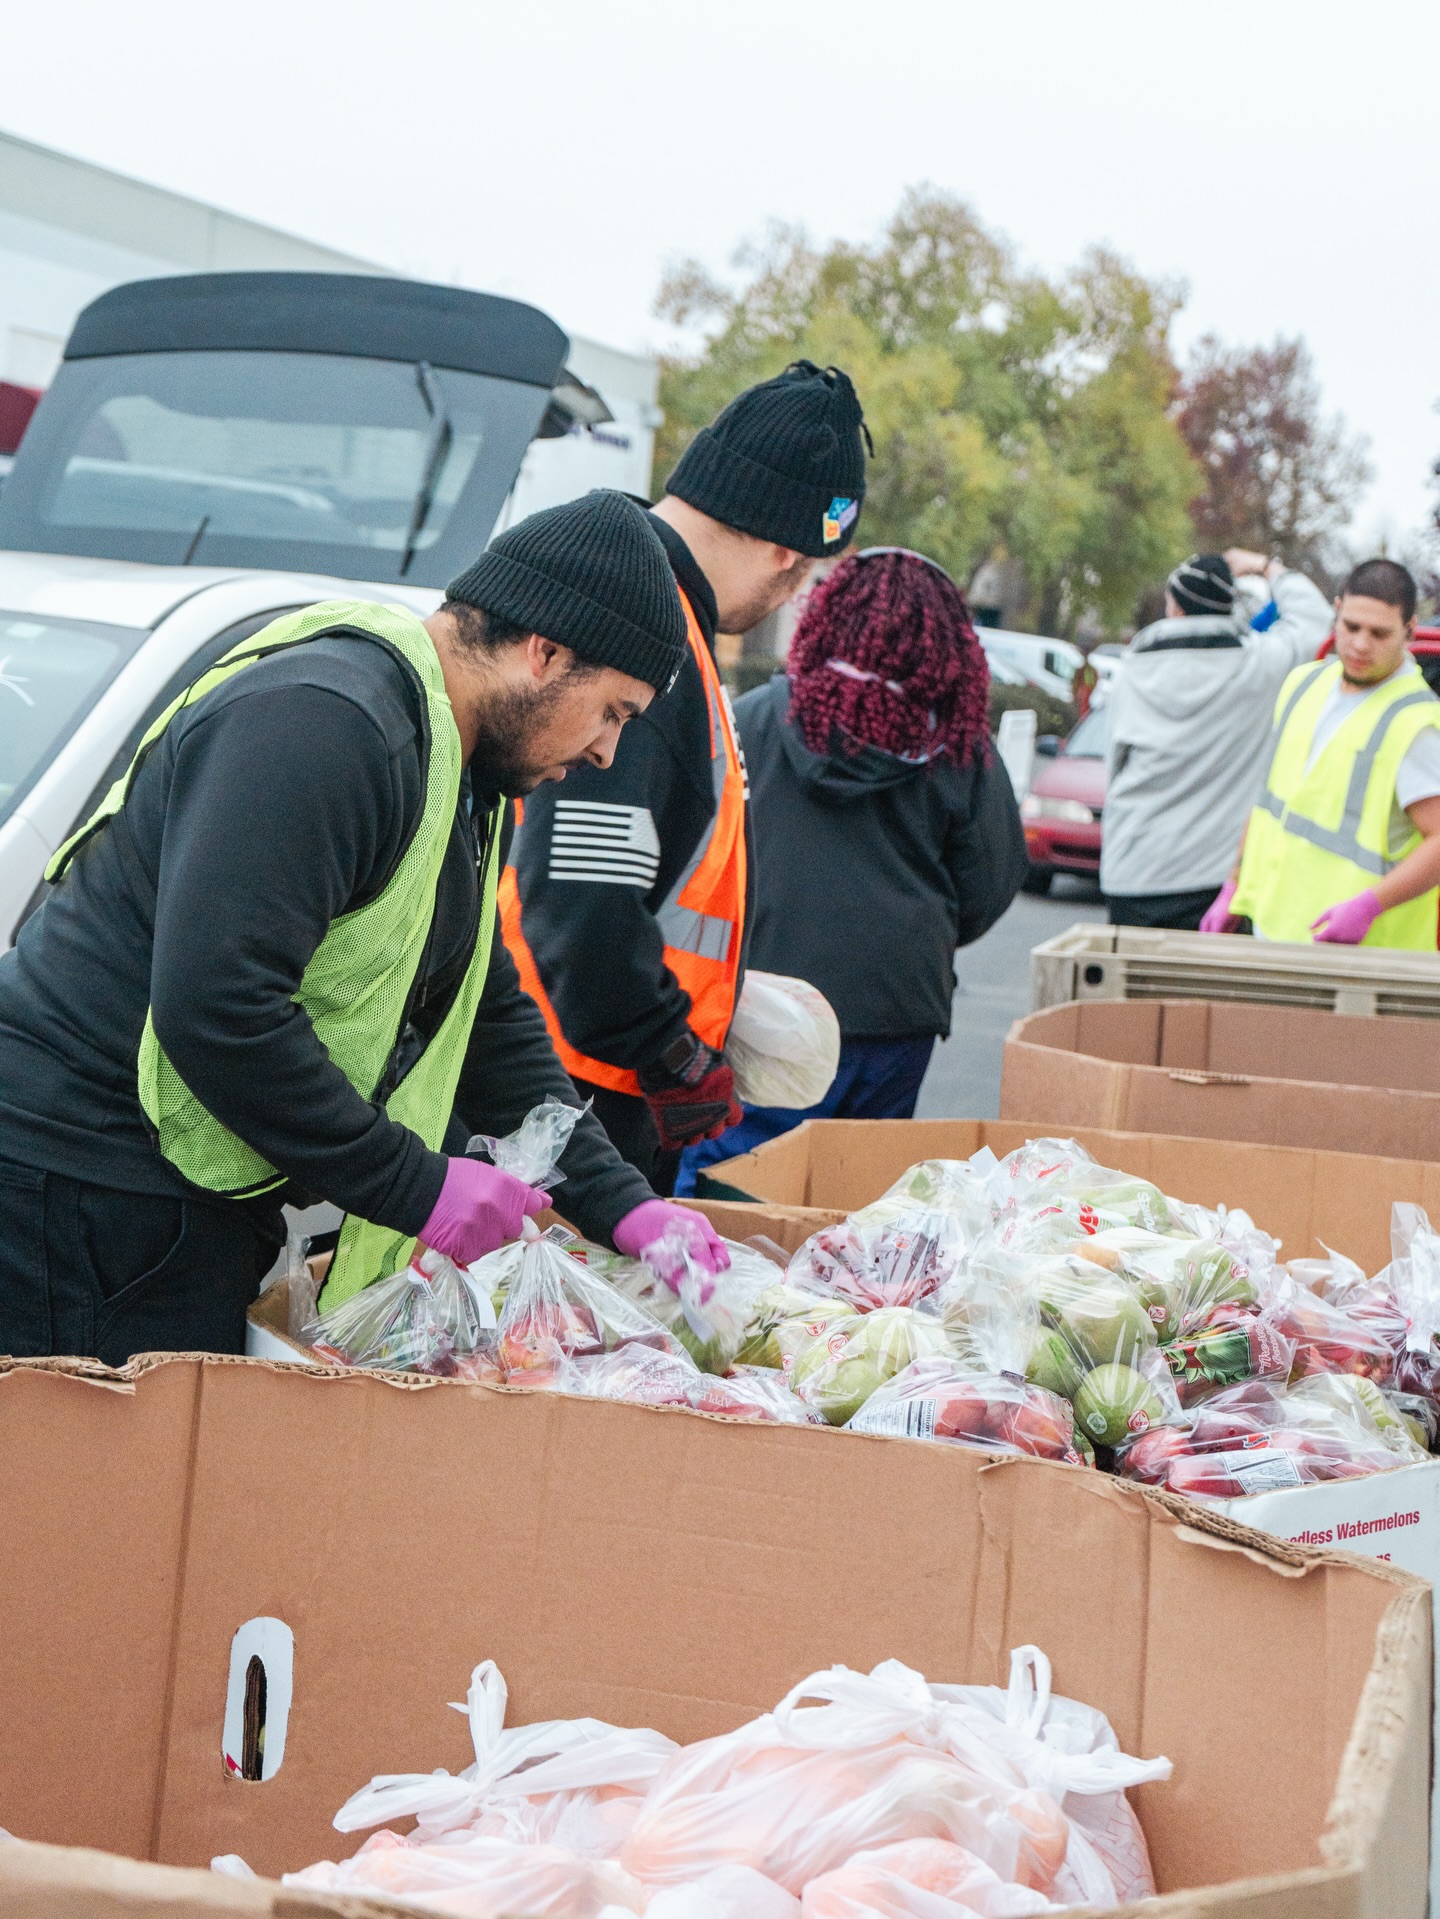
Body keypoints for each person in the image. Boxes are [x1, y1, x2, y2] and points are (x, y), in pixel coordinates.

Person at [0, 490, 726, 1364]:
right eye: (615, 710)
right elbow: (219, 1006)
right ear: (545, 651)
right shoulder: (330, 724)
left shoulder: (457, 765)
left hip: (172, 1200)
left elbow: (483, 1011)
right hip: (78, 1196)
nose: (607, 751)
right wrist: (415, 1185)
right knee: (89, 1496)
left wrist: (621, 1202)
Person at [501, 361, 870, 1193]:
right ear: (784, 546)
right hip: (570, 1095)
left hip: (581, 1078)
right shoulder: (646, 632)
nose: (793, 592)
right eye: (803, 570)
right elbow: (581, 896)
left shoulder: (666, 623)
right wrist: (669, 1053)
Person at [675, 546, 1027, 1191]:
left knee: (735, 1181)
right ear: (945, 641)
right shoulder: (959, 748)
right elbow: (995, 875)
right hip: (896, 1006)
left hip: (764, 997)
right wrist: (929, 929)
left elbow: (695, 854)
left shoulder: (753, 719)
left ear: (829, 618)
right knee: (860, 1196)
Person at [1206, 558, 1440, 947]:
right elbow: (1268, 803)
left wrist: (1370, 906)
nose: (1361, 644)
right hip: (1274, 929)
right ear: (1336, 612)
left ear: (1409, 630)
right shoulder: (1303, 684)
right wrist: (1234, 884)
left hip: (1359, 954)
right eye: (1352, 627)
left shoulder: (1417, 723)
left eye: (1379, 633)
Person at [1099, 549, 1333, 929]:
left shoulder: (1132, 671)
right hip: (1219, 875)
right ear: (1227, 608)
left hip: (1135, 866)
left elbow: (1116, 766)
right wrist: (1264, 565)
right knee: (1209, 989)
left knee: (1136, 987)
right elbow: (1317, 620)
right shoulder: (1261, 666)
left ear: (1174, 607)